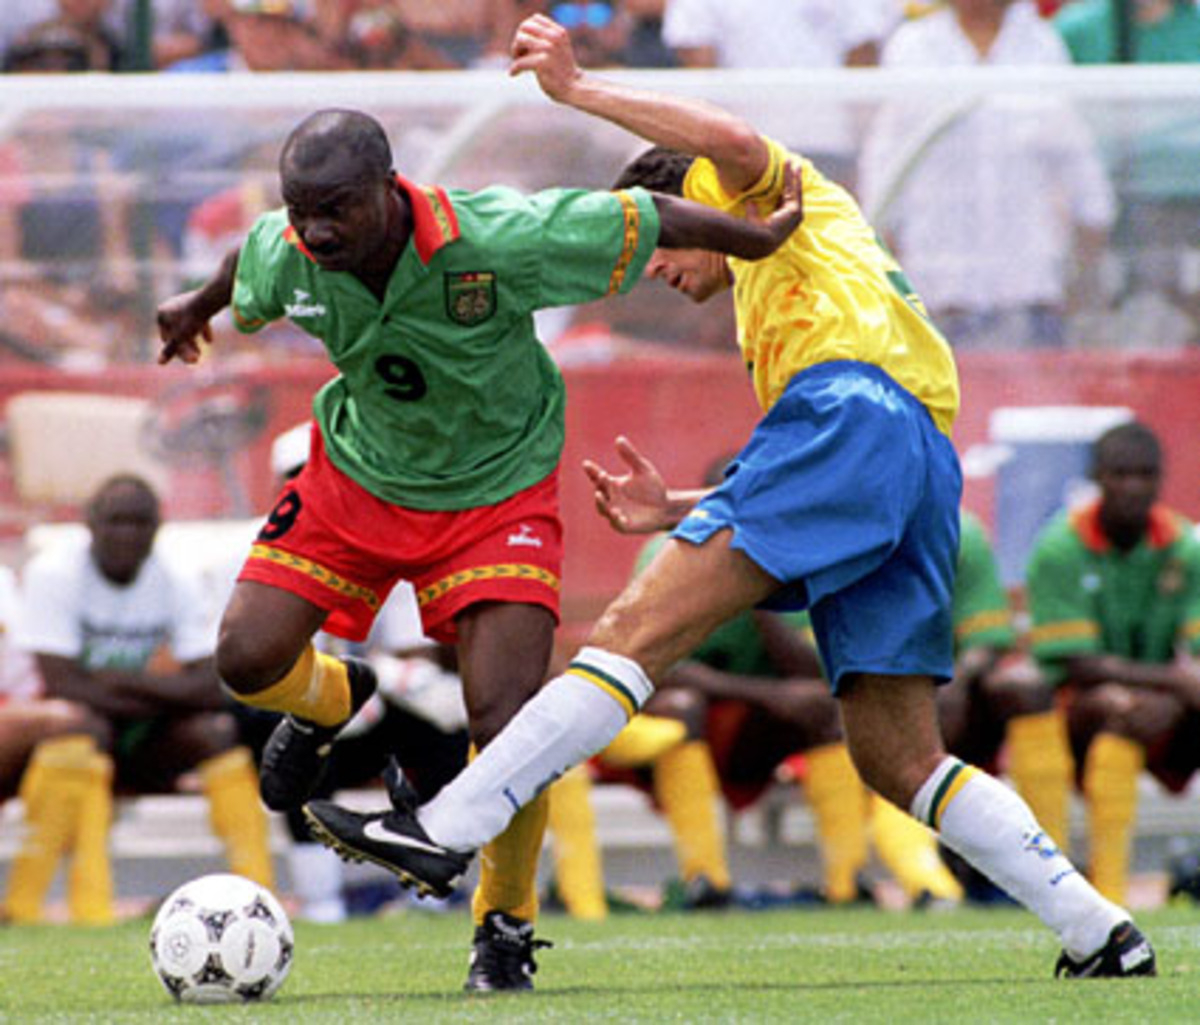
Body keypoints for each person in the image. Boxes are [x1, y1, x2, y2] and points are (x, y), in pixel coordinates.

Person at [303, 14, 1155, 983]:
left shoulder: (747, 191)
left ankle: (446, 825)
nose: (656, 270)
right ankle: (1101, 930)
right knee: (895, 754)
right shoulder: (791, 285)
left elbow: (740, 142)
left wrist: (579, 89)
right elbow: (839, 467)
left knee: (634, 629)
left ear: (684, 203)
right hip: (914, 455)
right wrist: (682, 506)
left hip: (855, 417)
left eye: (655, 245)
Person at [155, 106, 802, 989]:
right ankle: (333, 698)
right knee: (244, 658)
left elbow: (645, 216)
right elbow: (252, 259)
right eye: (302, 209)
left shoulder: (497, 237)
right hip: (359, 476)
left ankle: (503, 927)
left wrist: (754, 240)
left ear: (388, 189)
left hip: (497, 493)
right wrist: (196, 305)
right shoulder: (292, 248)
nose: (316, 230)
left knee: (506, 722)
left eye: (336, 208)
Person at [3, 474, 274, 925]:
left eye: (139, 522)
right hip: (70, 739)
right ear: (90, 524)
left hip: (141, 733)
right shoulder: (55, 573)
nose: (126, 533)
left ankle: (258, 897)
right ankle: (56, 906)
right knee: (78, 727)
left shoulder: (178, 577)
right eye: (115, 521)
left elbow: (211, 688)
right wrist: (161, 692)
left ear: (156, 528)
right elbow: (60, 685)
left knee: (216, 733)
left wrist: (117, 682)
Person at [857, 0, 1116, 350]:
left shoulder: (1041, 45)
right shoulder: (913, 47)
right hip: (937, 289)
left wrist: (1085, 267)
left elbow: (1077, 162)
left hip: (1029, 287)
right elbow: (883, 167)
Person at [1026, 420, 1200, 906]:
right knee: (1116, 705)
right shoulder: (1061, 545)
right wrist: (1175, 683)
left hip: (1167, 707)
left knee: (1143, 707)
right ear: (1097, 477)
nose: (1133, 487)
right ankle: (1096, 886)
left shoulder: (1184, 547)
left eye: (1145, 475)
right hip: (1080, 712)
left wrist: (1178, 690)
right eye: (1121, 474)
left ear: (1160, 479)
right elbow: (1077, 663)